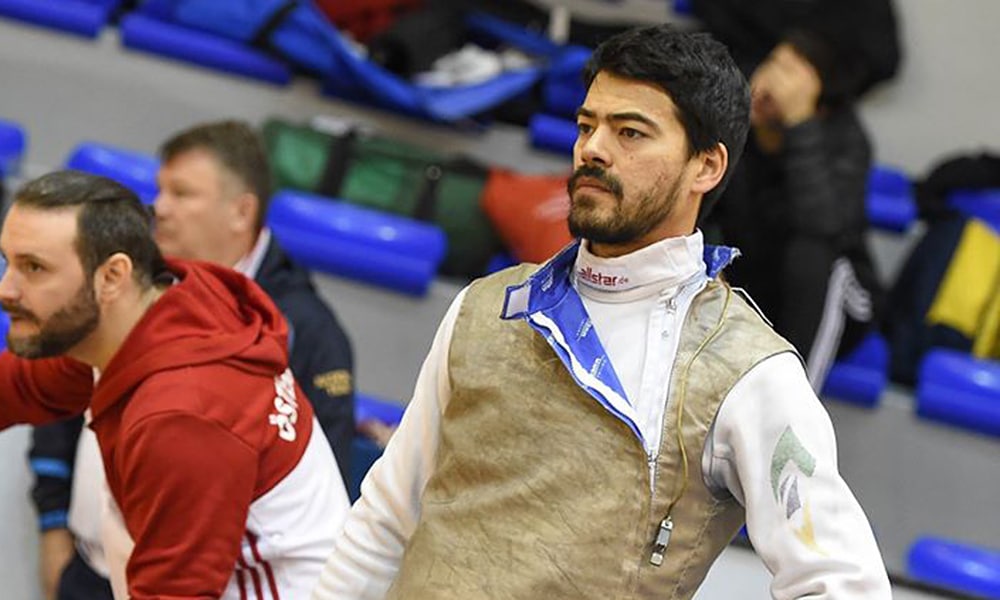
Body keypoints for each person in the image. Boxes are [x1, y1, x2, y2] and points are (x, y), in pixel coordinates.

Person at [312, 24, 890, 599]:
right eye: (587, 125)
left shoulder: (746, 370)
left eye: (631, 132)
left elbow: (841, 585)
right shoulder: (486, 307)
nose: (593, 148)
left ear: (706, 167)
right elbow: (385, 519)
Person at [28, 121, 356, 600]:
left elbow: (318, 494)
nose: (159, 207)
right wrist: (54, 526)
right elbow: (62, 388)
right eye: (160, 189)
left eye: (182, 193)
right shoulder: (135, 282)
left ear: (241, 211)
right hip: (90, 568)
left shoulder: (310, 330)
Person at [707, 32, 884, 390]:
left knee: (815, 255)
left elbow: (822, 224)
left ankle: (790, 400)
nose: (770, 79)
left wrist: (800, 123)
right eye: (772, 62)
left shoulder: (847, 139)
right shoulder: (737, 128)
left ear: (820, 101)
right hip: (756, 286)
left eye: (789, 73)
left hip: (838, 296)